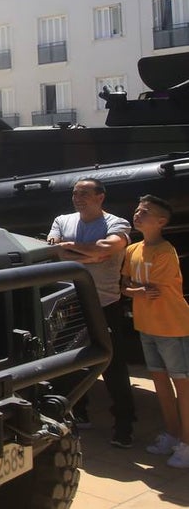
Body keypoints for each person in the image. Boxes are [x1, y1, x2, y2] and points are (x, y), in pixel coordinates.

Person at [47, 177, 136, 447]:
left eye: (84, 193)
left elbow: (107, 249)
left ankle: (124, 424)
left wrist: (69, 250)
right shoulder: (62, 220)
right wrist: (89, 256)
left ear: (100, 197)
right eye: (75, 193)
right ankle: (77, 411)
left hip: (104, 304)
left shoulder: (116, 223)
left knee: (113, 366)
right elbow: (52, 251)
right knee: (67, 361)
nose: (78, 198)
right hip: (70, 304)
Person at [121, 195, 189, 466]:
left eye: (145, 211)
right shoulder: (132, 249)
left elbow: (152, 290)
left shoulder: (166, 251)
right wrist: (134, 290)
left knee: (182, 386)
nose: (138, 214)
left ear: (161, 221)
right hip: (146, 326)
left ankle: (186, 442)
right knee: (160, 382)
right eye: (137, 209)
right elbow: (127, 286)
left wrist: (133, 290)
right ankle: (172, 434)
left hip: (172, 327)